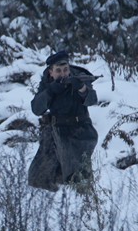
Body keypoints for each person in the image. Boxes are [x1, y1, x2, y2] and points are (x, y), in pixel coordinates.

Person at [28, 50, 99, 192]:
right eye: (58, 71)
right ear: (51, 72)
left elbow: (92, 99)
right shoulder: (47, 82)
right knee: (39, 177)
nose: (63, 74)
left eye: (65, 70)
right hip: (56, 132)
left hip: (80, 134)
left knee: (79, 181)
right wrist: (50, 91)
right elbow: (36, 109)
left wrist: (82, 88)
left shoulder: (79, 76)